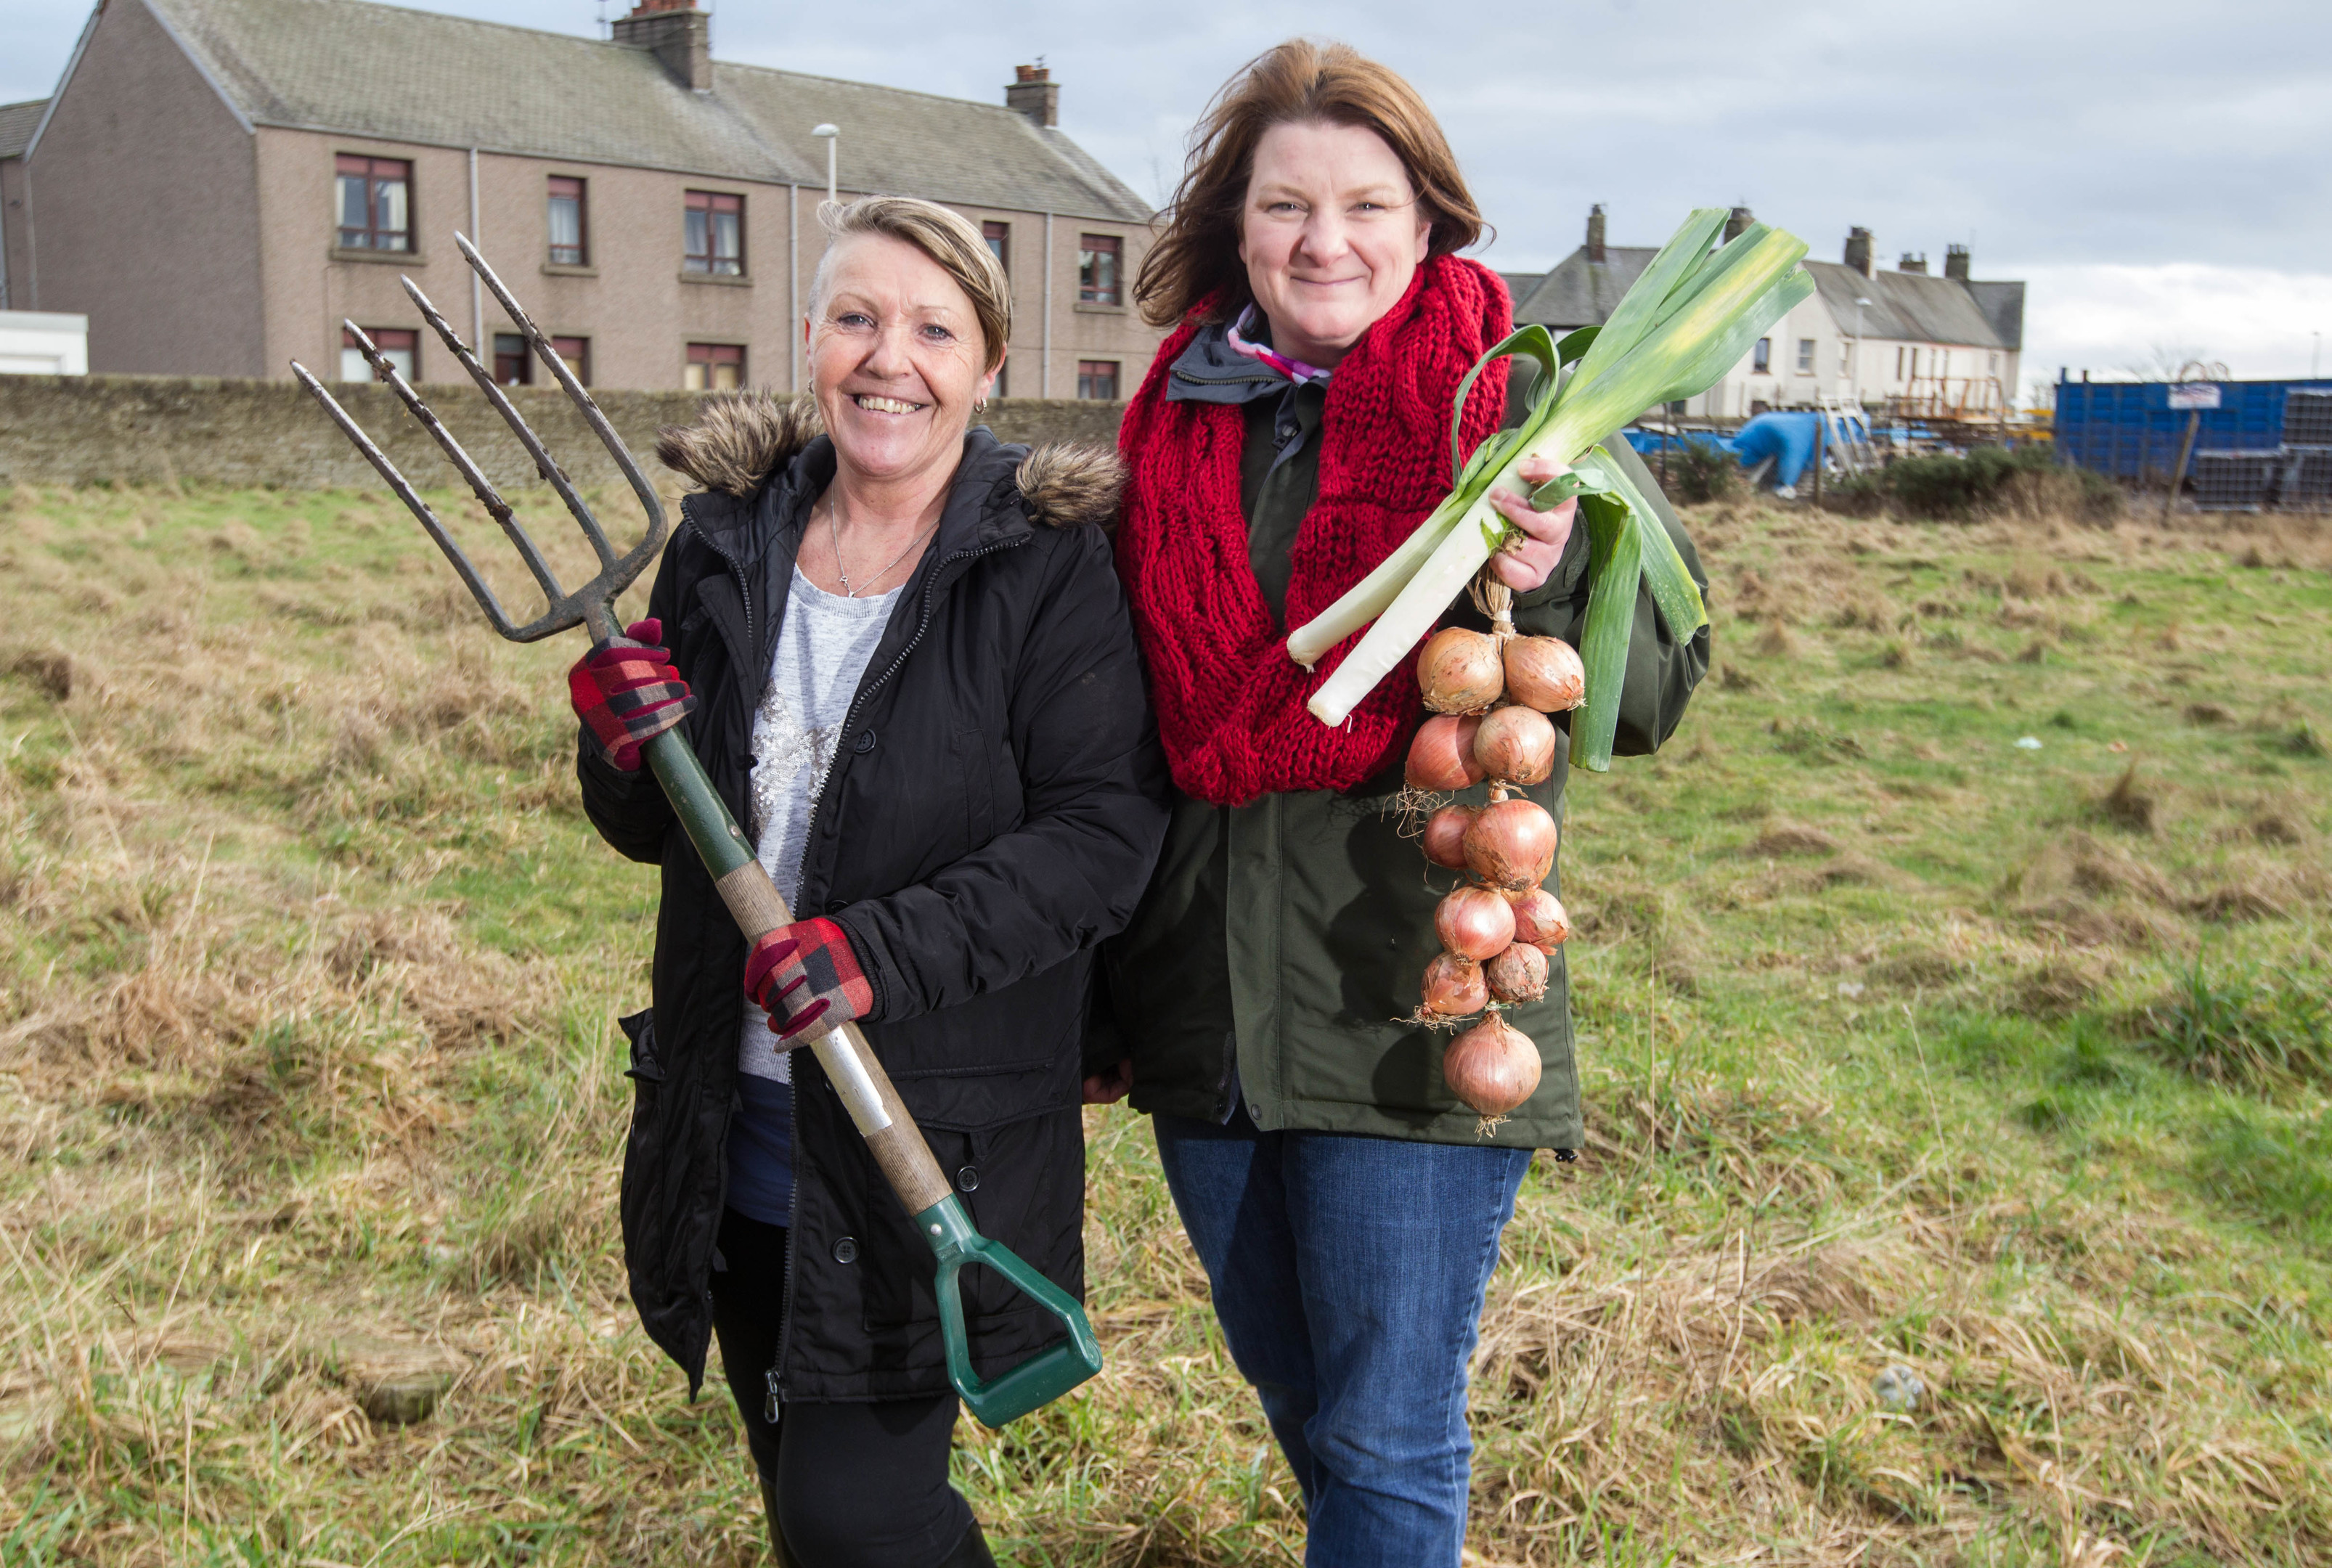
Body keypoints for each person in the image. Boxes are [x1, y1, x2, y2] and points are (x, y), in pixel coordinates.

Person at [1098, 41, 1709, 1566]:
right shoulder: (1170, 421)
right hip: (1206, 1008)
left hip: (1410, 991)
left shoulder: (1523, 424)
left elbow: (1648, 703)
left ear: (1429, 222)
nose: (1325, 241)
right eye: (1285, 204)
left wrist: (1553, 558)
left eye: (1366, 203)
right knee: (1308, 1409)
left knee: (1384, 1433)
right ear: (1231, 226)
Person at [572, 195, 1168, 1568]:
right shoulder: (726, 540)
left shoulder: (1045, 564)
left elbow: (1101, 837)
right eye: (857, 317)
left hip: (925, 1132)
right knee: (802, 1497)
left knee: (861, 1521)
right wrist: (616, 750)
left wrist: (877, 953)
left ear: (986, 365)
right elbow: (655, 828)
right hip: (730, 1123)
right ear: (811, 338)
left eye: (932, 328)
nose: (887, 357)